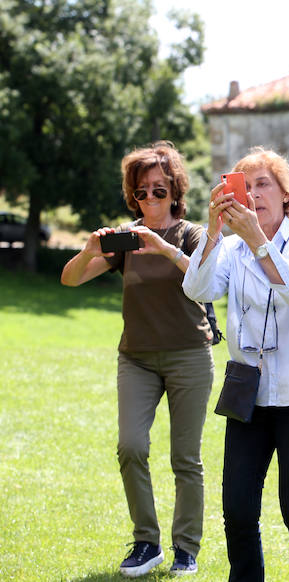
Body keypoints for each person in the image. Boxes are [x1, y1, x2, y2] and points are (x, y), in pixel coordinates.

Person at [60, 141, 214, 577]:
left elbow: (206, 275)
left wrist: (162, 247)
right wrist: (91, 249)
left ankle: (186, 547)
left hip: (189, 355)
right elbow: (69, 280)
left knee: (185, 458)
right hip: (137, 359)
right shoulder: (124, 240)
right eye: (142, 191)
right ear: (133, 194)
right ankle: (147, 542)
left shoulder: (191, 234)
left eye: (159, 190)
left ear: (174, 191)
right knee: (131, 446)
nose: (150, 198)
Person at [182, 147, 289, 580]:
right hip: (249, 391)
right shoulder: (231, 249)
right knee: (238, 510)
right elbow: (197, 289)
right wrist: (213, 231)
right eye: (243, 188)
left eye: (263, 184)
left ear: (286, 195)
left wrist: (258, 241)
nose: (253, 194)